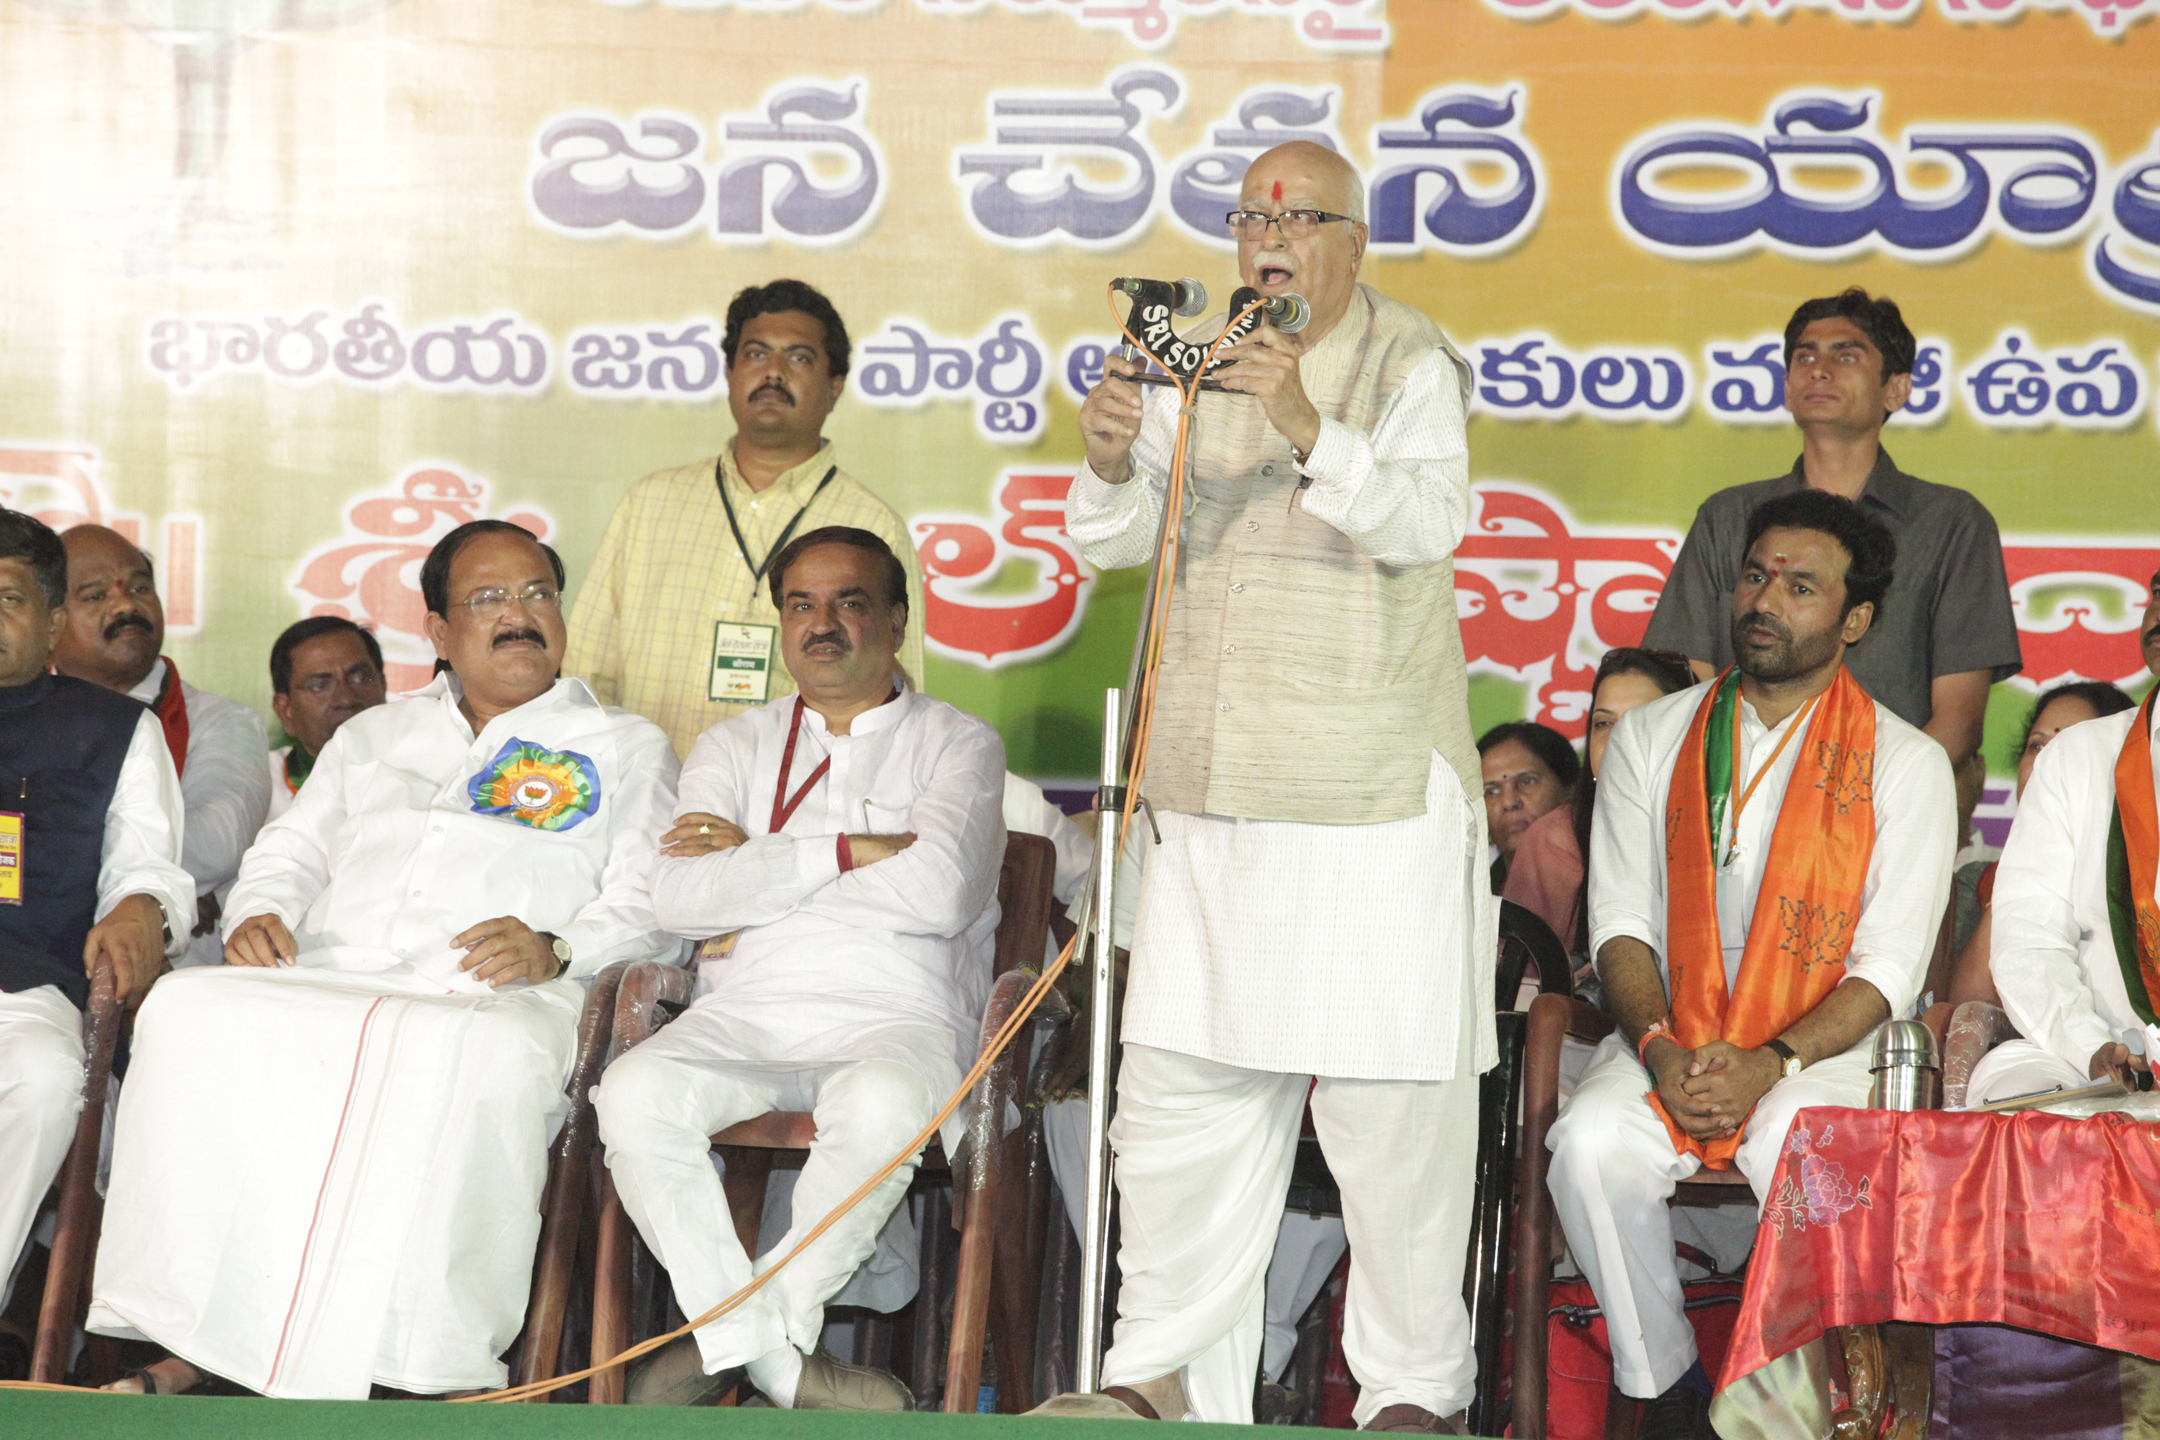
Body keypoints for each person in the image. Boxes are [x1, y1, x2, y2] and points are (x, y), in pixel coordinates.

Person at [1040, 139, 1487, 1432]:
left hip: (1368, 802)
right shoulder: (1199, 355)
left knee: (1390, 1117)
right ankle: (1160, 1376)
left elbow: (1425, 523)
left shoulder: (1411, 360)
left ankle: (1409, 1394)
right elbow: (1127, 540)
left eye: (1296, 220)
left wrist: (1299, 415)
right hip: (1214, 789)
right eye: (1247, 220)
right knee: (1180, 1095)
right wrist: (1115, 455)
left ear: (1353, 241)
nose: (1266, 240)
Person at [88, 521, 680, 1399]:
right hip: (336, 969)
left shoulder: (626, 746)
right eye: (489, 599)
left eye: (537, 594)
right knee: (184, 1010)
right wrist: (259, 913)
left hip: (500, 992)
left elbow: (649, 904)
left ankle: (422, 1366)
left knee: (481, 1057)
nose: (519, 615)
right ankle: (199, 1341)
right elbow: (287, 855)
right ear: (438, 633)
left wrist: (562, 947)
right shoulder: (373, 736)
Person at [1547, 490, 1954, 1440]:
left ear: (1855, 620)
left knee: (1795, 1149)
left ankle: (1808, 1406)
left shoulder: (1905, 761)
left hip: (1822, 1047)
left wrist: (1770, 1062)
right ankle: (1666, 1391)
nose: (1766, 600)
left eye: (1802, 587)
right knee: (1591, 1147)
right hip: (1671, 1029)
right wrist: (1655, 1051)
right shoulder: (1654, 736)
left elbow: (1891, 967)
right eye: (1758, 576)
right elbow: (1618, 925)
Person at [593, 527, 1004, 1412]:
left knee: (888, 1105)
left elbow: (936, 895)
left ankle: (724, 1345)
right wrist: (850, 850)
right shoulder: (732, 745)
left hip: (900, 1009)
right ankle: (773, 1359)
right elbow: (678, 899)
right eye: (800, 604)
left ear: (897, 621)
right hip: (749, 1006)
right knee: (633, 1094)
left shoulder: (959, 744)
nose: (824, 624)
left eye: (850, 601)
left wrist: (760, 865)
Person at [1642, 289, 2020, 772]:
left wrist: (1854, 802)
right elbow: (1681, 687)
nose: (1818, 369)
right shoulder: (1728, 517)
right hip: (1733, 800)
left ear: (1896, 389)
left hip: (1885, 809)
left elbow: (1959, 723)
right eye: (1804, 356)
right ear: (1785, 386)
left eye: (1846, 354)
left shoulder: (1951, 523)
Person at [566, 279, 927, 756]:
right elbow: (585, 676)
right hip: (646, 803)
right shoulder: (650, 503)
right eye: (757, 354)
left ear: (834, 387)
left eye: (799, 357)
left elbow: (899, 700)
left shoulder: (871, 528)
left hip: (795, 811)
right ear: (731, 373)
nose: (773, 372)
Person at [0, 510, 191, 1329]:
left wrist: (145, 908)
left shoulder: (112, 729)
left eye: (6, 598)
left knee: (44, 1081)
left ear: (50, 624)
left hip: (22, 990)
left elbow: (152, 867)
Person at [1963, 582, 2160, 1108]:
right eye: (2159, 593)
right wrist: (2090, 1045)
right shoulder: (2080, 755)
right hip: (2095, 1059)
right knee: (2015, 1092)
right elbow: (2032, 937)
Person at [51, 525, 272, 968]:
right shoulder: (19, 719)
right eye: (95, 596)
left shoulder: (225, 721)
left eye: (141, 587)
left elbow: (213, 843)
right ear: (49, 619)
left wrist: (155, 899)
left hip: (176, 991)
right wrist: (168, 894)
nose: (127, 605)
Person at [1943, 680, 2136, 1010]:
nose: (2046, 763)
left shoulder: (2140, 884)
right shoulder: (1975, 880)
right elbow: (1965, 1006)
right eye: (2037, 746)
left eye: (2068, 748)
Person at [1504, 649, 1695, 965]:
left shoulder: (1726, 825)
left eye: (1640, 720)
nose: (1619, 739)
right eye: (1604, 723)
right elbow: (1521, 981)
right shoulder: (1553, 839)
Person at [265, 616, 389, 822]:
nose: (346, 699)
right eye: (319, 686)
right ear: (285, 708)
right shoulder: (257, 787)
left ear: (383, 685)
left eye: (360, 678)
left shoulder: (428, 767)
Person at [1479, 721, 1579, 893]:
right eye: (1492, 790)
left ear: (1570, 791)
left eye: (1527, 781)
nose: (1509, 802)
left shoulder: (1607, 885)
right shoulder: (1460, 898)